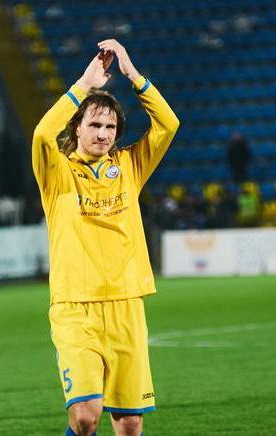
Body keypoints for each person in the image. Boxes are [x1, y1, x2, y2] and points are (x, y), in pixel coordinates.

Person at [32, 39, 179, 436]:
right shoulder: (57, 172)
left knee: (129, 422)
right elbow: (42, 135)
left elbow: (168, 125)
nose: (102, 134)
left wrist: (132, 75)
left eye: (110, 127)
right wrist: (83, 85)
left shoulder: (130, 166)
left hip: (126, 303)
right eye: (94, 125)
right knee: (85, 416)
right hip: (75, 305)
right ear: (76, 127)